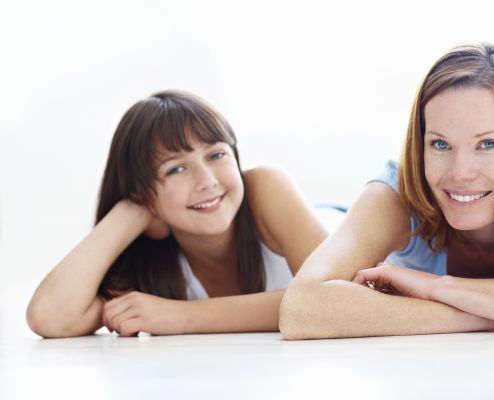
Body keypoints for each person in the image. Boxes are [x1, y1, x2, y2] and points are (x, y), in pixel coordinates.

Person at [279, 43, 494, 339]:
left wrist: (437, 288)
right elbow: (301, 308)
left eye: (487, 144)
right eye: (440, 144)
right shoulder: (396, 192)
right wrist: (482, 317)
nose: (460, 173)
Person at [27, 90, 327, 338]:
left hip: (345, 234)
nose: (207, 180)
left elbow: (330, 298)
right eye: (176, 169)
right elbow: (50, 316)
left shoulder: (265, 187)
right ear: (144, 196)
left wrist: (182, 317)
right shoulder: (147, 266)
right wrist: (130, 213)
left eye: (216, 155)